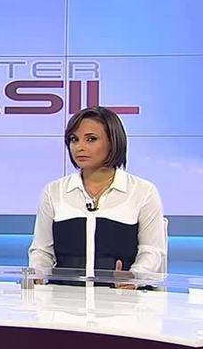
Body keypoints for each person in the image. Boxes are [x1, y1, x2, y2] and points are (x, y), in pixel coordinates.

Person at [28, 106, 166, 285]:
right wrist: (37, 276)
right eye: (74, 139)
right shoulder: (54, 191)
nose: (79, 147)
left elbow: (152, 251)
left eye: (91, 139)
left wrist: (133, 278)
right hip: (63, 297)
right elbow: (42, 251)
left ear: (113, 142)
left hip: (122, 297)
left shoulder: (142, 191)